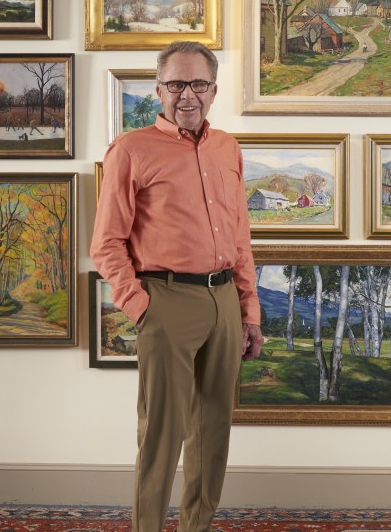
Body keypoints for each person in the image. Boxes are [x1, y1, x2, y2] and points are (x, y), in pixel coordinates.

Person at [90, 40, 263, 532]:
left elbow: (240, 235)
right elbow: (106, 244)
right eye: (175, 84)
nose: (187, 95)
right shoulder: (131, 149)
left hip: (225, 299)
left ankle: (196, 528)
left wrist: (248, 311)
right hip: (165, 300)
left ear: (213, 89)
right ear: (158, 89)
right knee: (161, 434)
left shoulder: (227, 147)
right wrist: (142, 307)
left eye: (198, 84)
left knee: (213, 432)